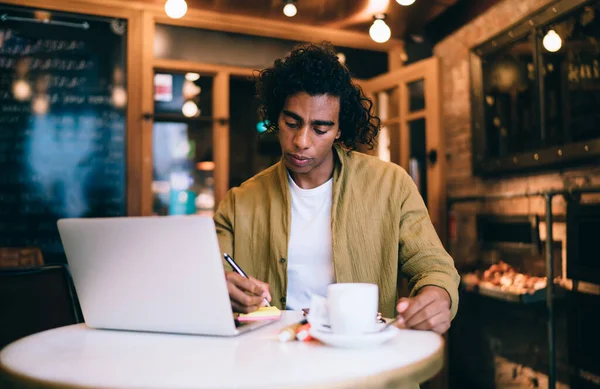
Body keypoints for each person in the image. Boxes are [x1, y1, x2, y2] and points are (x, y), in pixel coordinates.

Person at [214, 42, 460, 334]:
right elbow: (206, 281)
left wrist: (437, 294)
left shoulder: (391, 185)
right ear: (276, 117)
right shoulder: (240, 202)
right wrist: (219, 290)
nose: (302, 141)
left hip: (365, 365)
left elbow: (433, 265)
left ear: (340, 129)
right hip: (274, 365)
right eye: (292, 123)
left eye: (320, 129)